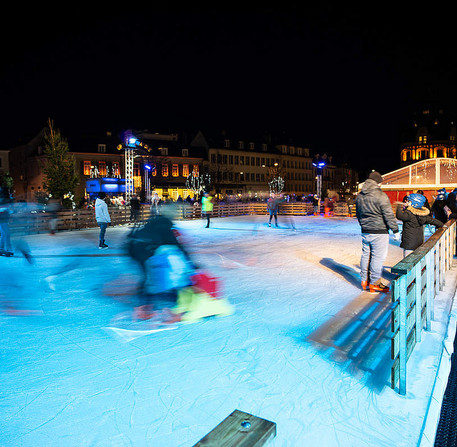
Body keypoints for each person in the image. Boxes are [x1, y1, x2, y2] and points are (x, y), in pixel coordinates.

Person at [355, 171, 400, 293]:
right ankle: (374, 282)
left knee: (366, 255)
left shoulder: (360, 195)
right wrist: (395, 230)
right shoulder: (380, 195)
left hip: (365, 231)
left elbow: (358, 214)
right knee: (377, 257)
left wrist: (364, 225)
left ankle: (364, 280)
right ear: (378, 182)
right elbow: (388, 214)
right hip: (379, 231)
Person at [396, 193, 444, 258]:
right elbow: (432, 220)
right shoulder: (422, 214)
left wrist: (399, 206)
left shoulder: (409, 214)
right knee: (416, 258)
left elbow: (400, 216)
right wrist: (442, 225)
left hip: (409, 242)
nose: (407, 202)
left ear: (414, 203)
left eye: (409, 201)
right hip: (418, 242)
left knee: (407, 259)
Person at [0, 187, 13, 256]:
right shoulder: (2, 199)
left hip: (3, 219)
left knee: (4, 234)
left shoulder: (5, 199)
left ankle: (1, 249)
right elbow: (3, 208)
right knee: (6, 234)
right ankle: (8, 249)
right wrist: (5, 209)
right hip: (2, 219)